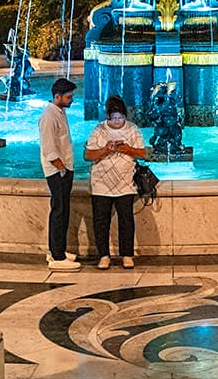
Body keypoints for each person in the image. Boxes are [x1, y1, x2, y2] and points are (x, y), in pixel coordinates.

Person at [84, 94, 147, 269]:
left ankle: (127, 254)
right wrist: (105, 149)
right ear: (108, 116)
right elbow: (88, 155)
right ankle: (104, 255)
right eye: (114, 118)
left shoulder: (133, 130)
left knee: (126, 219)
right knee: (101, 220)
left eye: (121, 117)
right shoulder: (98, 130)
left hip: (125, 183)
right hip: (101, 184)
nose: (118, 121)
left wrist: (127, 149)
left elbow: (142, 153)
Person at [38, 76, 80, 268]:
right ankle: (57, 257)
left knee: (63, 211)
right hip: (56, 171)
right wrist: (61, 169)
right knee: (58, 211)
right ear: (58, 96)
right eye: (69, 97)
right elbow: (49, 148)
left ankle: (59, 251)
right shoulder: (49, 116)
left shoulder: (59, 112)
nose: (71, 100)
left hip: (64, 168)